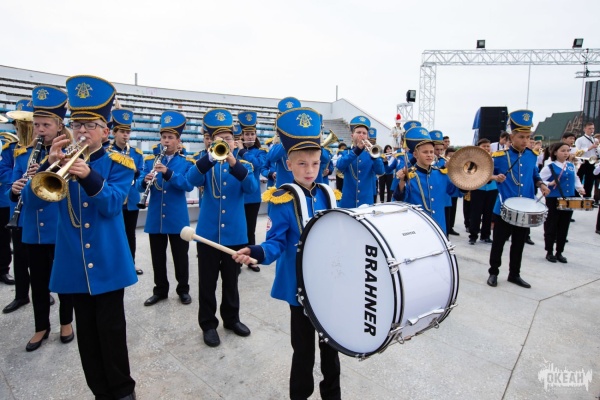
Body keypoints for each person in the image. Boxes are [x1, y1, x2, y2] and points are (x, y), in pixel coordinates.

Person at [233, 106, 341, 400]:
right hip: (300, 288)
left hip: (328, 286)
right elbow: (276, 242)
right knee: (303, 352)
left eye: (315, 163)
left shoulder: (329, 195)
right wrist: (257, 251)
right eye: (302, 164)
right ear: (289, 165)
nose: (309, 170)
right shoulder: (281, 199)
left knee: (331, 350)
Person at [44, 75, 137, 399]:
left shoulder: (118, 163)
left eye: (90, 125)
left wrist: (88, 175)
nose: (82, 131)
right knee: (86, 334)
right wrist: (49, 165)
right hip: (73, 263)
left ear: (105, 131)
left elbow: (113, 204)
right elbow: (36, 201)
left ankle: (123, 390)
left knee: (111, 330)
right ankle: (99, 389)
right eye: (77, 124)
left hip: (108, 262)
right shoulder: (56, 161)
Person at [186, 108, 257, 348]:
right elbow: (190, 180)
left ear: (235, 141)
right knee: (207, 282)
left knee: (231, 281)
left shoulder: (244, 165)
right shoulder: (205, 163)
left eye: (228, 138)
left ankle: (231, 319)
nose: (224, 142)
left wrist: (233, 161)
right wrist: (208, 158)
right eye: (219, 139)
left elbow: (251, 189)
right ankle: (208, 324)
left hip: (235, 234)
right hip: (207, 234)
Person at [14, 85, 74, 351]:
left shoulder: (69, 153)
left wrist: (49, 166)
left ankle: (66, 322)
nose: (39, 130)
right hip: (32, 228)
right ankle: (41, 326)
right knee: (37, 281)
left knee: (64, 279)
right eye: (36, 124)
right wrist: (16, 188)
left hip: (58, 226)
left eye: (46, 125)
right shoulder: (23, 153)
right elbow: (14, 190)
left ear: (59, 125)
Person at [487, 110, 550, 289]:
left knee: (519, 244)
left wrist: (541, 184)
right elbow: (485, 175)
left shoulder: (532, 155)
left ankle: (514, 274)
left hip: (526, 209)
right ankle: (493, 272)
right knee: (498, 243)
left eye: (528, 137)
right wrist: (495, 177)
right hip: (504, 207)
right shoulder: (499, 157)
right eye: (521, 137)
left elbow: (535, 174)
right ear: (511, 137)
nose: (525, 140)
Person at [139, 111, 194, 307]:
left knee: (180, 256)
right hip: (156, 217)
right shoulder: (149, 160)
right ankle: (160, 290)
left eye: (171, 137)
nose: (166, 141)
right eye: (164, 137)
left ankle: (183, 289)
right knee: (157, 257)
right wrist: (144, 180)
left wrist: (168, 173)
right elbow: (139, 184)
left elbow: (188, 185)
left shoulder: (186, 163)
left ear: (178, 141)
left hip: (177, 218)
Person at [1, 99, 35, 313]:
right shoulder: (12, 148)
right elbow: (3, 170)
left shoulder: (43, 148)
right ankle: (21, 295)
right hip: (18, 208)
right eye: (18, 124)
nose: (20, 128)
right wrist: (17, 181)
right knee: (21, 256)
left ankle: (43, 292)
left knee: (41, 259)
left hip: (38, 209)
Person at [393, 126, 455, 234]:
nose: (429, 155)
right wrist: (402, 181)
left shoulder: (441, 174)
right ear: (415, 154)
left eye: (431, 152)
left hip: (439, 229)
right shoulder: (411, 176)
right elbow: (399, 201)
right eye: (425, 152)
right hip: (417, 229)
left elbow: (456, 191)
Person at [108, 109, 145, 275]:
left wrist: (135, 171)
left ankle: (131, 263)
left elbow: (141, 173)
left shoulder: (136, 153)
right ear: (114, 133)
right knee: (113, 233)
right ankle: (113, 264)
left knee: (130, 233)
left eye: (127, 132)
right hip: (113, 198)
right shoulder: (107, 152)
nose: (125, 135)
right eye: (122, 132)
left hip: (130, 199)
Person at [540, 142, 585, 263]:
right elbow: (539, 179)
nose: (566, 153)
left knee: (564, 225)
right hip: (554, 199)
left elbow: (575, 178)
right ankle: (549, 251)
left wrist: (580, 188)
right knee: (551, 225)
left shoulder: (570, 165)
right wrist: (549, 183)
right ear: (555, 152)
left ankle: (559, 252)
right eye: (563, 151)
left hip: (568, 199)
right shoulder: (550, 166)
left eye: (568, 151)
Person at [237, 111, 266, 272]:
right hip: (237, 196)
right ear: (241, 135)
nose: (250, 136)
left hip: (252, 196)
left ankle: (250, 259)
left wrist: (243, 151)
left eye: (252, 134)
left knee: (250, 229)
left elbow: (257, 165)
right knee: (237, 228)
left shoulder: (260, 152)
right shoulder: (234, 151)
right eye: (247, 134)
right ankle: (236, 259)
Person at [336, 116, 384, 207]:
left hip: (366, 202)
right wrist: (356, 151)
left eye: (364, 133)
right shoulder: (346, 153)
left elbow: (380, 171)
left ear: (367, 137)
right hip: (348, 202)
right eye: (358, 132)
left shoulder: (371, 154)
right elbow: (339, 166)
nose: (361, 135)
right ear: (352, 135)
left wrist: (375, 157)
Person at [468, 139, 498, 245]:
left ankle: (486, 235)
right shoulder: (474, 160)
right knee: (475, 213)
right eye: (483, 146)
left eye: (488, 146)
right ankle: (473, 236)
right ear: (478, 148)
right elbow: (470, 172)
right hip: (478, 189)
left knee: (488, 214)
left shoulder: (496, 158)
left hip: (492, 189)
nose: (486, 148)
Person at [575, 122, 598, 202]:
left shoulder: (595, 140)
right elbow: (577, 152)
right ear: (584, 129)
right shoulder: (580, 140)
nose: (591, 130)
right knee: (579, 178)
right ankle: (576, 196)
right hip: (583, 162)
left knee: (590, 181)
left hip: (592, 162)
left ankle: (587, 198)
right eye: (589, 128)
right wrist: (589, 148)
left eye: (593, 128)